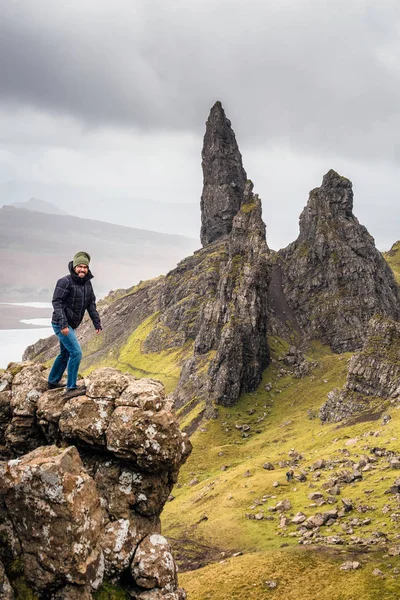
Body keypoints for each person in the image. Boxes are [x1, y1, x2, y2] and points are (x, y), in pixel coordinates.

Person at [48, 251, 102, 398]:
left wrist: (96, 322)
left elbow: (90, 304)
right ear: (74, 267)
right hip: (61, 324)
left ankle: (52, 381)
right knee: (76, 352)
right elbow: (57, 303)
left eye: (85, 267)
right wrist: (63, 325)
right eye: (80, 266)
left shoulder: (87, 284)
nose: (82, 269)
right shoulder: (65, 281)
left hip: (70, 324)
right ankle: (71, 388)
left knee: (64, 353)